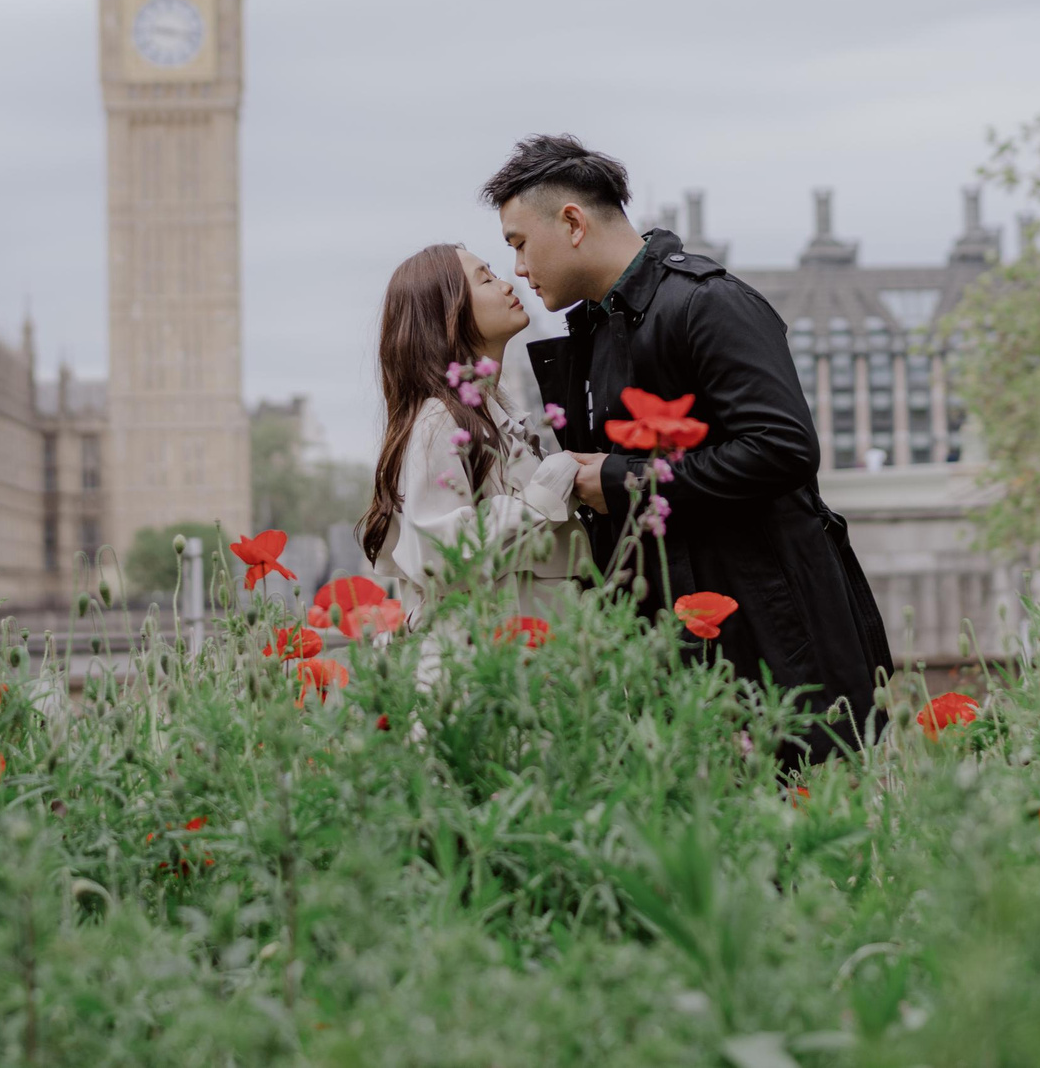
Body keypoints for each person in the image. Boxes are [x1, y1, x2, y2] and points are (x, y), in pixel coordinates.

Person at [486, 134, 894, 756]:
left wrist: (621, 480)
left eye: (518, 243)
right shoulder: (601, 328)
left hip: (770, 645)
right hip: (682, 651)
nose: (517, 266)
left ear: (571, 222)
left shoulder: (707, 302)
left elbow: (782, 446)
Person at [363, 244, 585, 616]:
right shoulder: (439, 420)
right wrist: (548, 492)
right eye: (486, 279)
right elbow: (435, 554)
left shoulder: (494, 416)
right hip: (489, 662)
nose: (507, 285)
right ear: (449, 314)